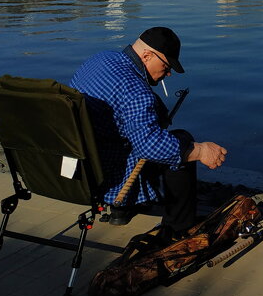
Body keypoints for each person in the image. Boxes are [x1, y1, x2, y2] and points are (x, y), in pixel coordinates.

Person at [70, 27, 227, 241]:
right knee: (181, 141)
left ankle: (122, 210)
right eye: (166, 65)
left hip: (80, 164)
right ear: (147, 55)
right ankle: (179, 227)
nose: (169, 73)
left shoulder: (100, 59)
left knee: (131, 133)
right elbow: (150, 147)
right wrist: (200, 151)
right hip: (109, 177)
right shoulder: (135, 91)